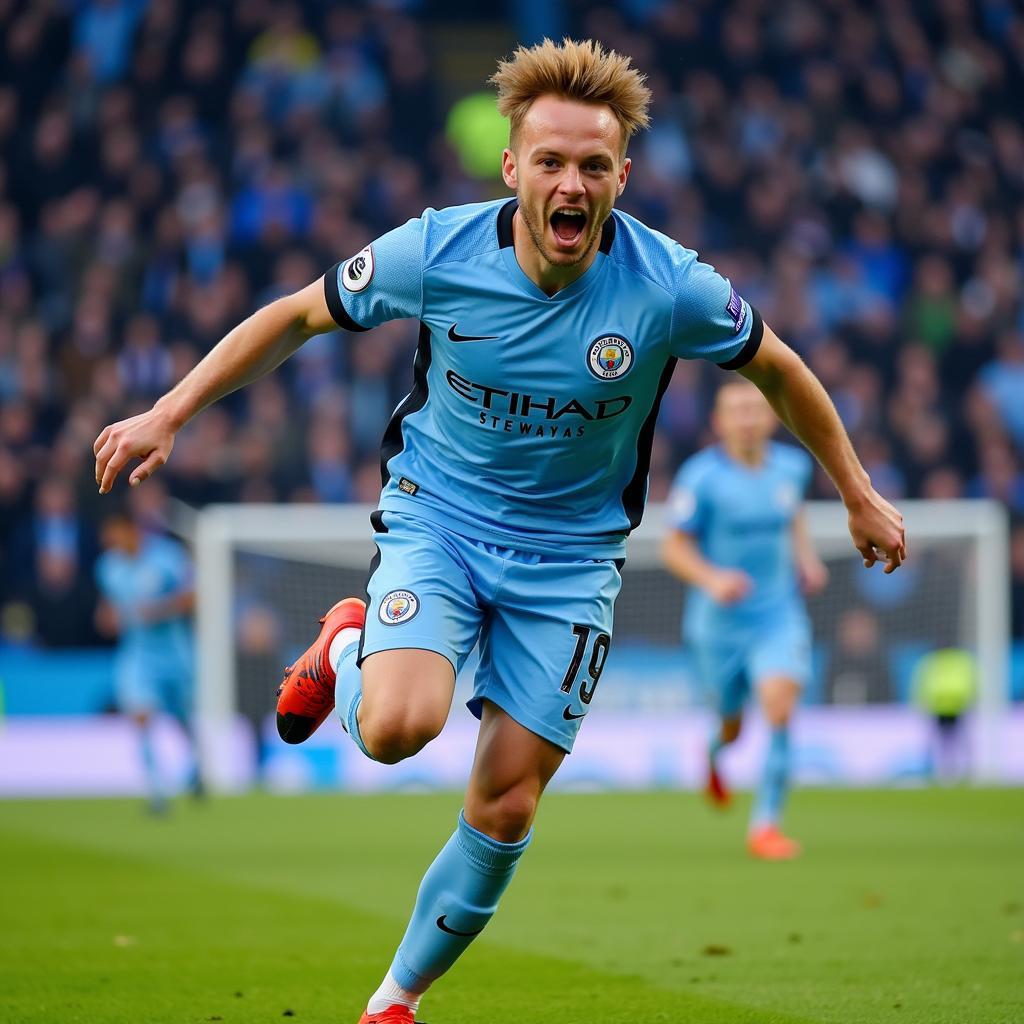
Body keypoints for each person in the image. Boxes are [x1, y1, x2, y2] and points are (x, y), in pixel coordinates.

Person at [92, 38, 905, 1024]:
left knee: (508, 803)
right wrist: (170, 409)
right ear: (512, 165)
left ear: (621, 177)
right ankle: (349, 647)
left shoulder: (668, 284)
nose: (572, 182)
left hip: (570, 560)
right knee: (396, 728)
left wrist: (856, 492)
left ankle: (394, 999)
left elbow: (778, 367)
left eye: (593, 165)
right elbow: (298, 316)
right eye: (551, 161)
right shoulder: (434, 251)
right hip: (441, 521)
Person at [662, 380, 829, 859]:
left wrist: (807, 559)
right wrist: (713, 579)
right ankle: (715, 750)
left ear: (771, 417)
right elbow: (674, 547)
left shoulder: (792, 469)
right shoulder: (701, 478)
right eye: (737, 410)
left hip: (778, 614)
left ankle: (766, 826)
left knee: (779, 707)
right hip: (718, 624)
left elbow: (792, 516)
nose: (748, 418)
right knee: (733, 726)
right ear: (719, 422)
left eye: (756, 409)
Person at [95, 506, 201, 814]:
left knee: (181, 717)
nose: (112, 543)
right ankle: (157, 791)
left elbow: (192, 598)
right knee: (141, 716)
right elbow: (108, 607)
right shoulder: (108, 567)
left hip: (175, 653)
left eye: (116, 536)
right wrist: (107, 618)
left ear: (131, 530)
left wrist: (157, 611)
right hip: (137, 656)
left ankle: (197, 766)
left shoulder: (167, 557)